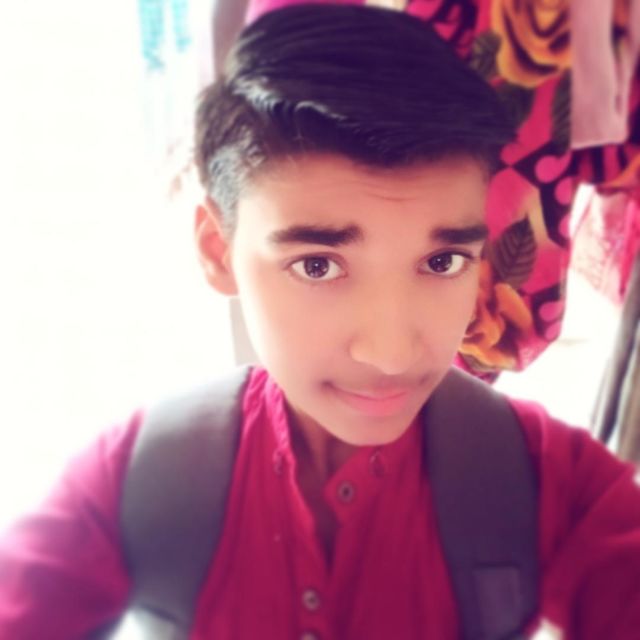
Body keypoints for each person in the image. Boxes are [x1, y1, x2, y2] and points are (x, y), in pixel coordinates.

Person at [1, 5, 639, 639]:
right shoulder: (138, 476)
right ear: (219, 251)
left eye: (442, 261)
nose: (392, 353)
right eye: (317, 266)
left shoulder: (545, 480)